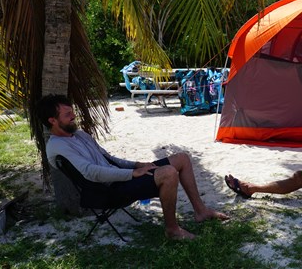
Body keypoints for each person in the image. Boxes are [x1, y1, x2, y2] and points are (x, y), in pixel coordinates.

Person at [36, 94, 228, 240]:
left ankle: (200, 211)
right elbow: (91, 173)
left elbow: (108, 158)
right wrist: (132, 174)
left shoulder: (79, 135)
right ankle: (172, 229)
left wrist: (138, 165)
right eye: (68, 114)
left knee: (182, 159)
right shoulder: (57, 146)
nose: (74, 116)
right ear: (53, 120)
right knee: (168, 173)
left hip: (118, 178)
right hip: (106, 191)